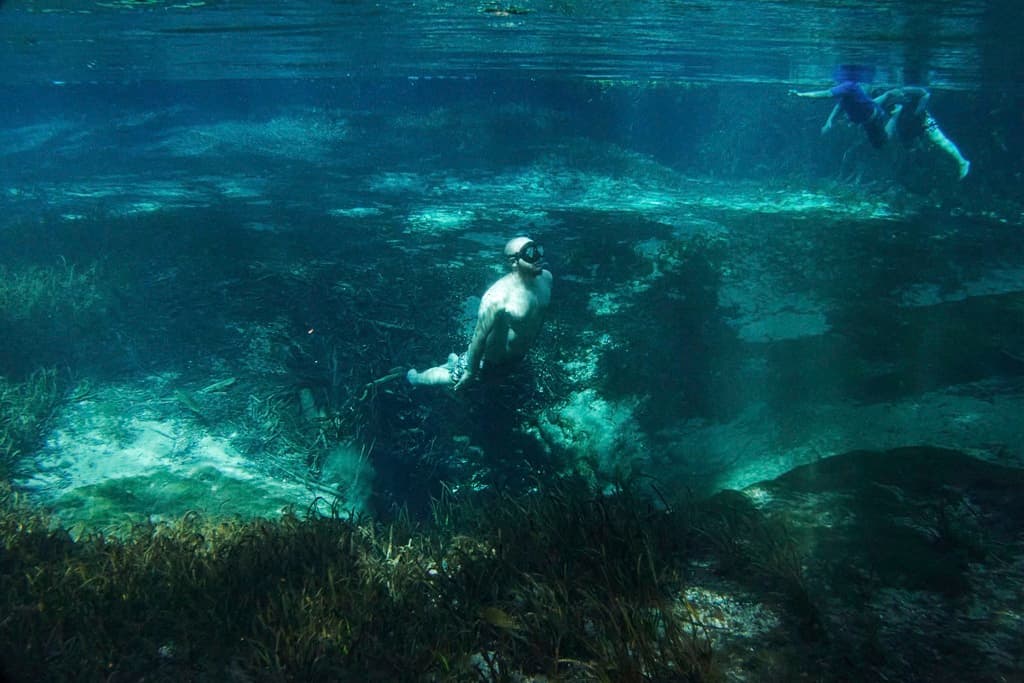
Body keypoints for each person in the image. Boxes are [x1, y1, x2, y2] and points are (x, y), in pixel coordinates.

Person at [407, 236, 553, 391]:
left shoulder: (547, 279)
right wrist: (470, 372)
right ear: (514, 262)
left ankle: (454, 361)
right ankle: (416, 378)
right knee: (452, 378)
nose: (538, 257)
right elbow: (479, 337)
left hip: (515, 359)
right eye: (530, 253)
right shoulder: (497, 297)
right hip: (487, 361)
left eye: (538, 249)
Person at [876, 86, 971, 179]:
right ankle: (918, 163)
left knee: (939, 140)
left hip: (921, 120)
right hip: (905, 124)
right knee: (911, 147)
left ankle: (962, 161)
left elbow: (925, 94)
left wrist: (904, 94)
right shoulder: (887, 101)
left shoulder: (904, 96)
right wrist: (894, 111)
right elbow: (873, 105)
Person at [789, 78, 890, 148]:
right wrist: (829, 121)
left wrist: (801, 95)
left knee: (882, 141)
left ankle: (895, 113)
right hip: (866, 118)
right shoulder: (845, 91)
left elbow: (826, 94)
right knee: (871, 105)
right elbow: (839, 106)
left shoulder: (849, 86)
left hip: (875, 118)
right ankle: (887, 95)